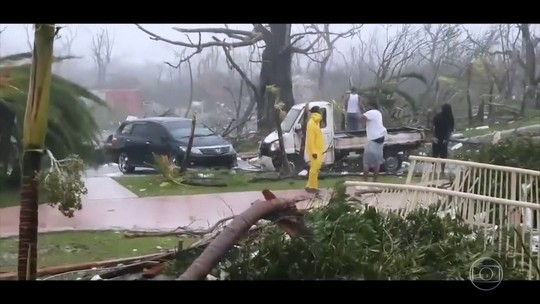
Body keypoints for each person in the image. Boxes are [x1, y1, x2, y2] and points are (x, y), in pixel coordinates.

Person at [360, 102, 387, 182]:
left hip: (372, 139)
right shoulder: (379, 113)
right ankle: (375, 181)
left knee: (366, 163)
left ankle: (365, 181)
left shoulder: (371, 112)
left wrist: (363, 122)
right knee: (377, 163)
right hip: (381, 138)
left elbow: (362, 118)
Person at [305, 106, 326, 194]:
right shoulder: (312, 123)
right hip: (315, 151)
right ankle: (312, 187)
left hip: (318, 150)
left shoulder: (316, 122)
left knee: (315, 169)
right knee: (314, 169)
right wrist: (313, 152)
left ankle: (309, 185)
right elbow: (310, 139)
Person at [432, 103, 455, 174]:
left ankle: (442, 171)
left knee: (442, 155)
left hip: (444, 138)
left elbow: (451, 129)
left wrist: (447, 138)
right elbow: (433, 127)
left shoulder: (450, 117)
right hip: (438, 137)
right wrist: (433, 137)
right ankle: (434, 170)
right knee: (436, 154)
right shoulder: (438, 117)